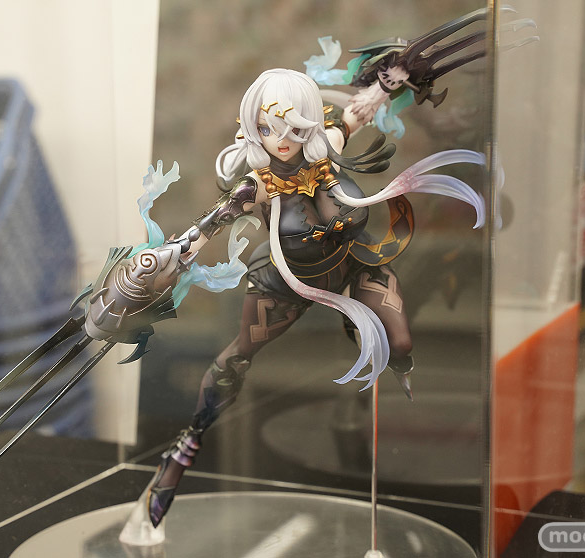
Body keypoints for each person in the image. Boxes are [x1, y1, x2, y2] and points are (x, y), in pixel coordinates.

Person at [143, 67, 484, 526]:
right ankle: (187, 444)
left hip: (353, 265)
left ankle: (368, 380)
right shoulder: (256, 186)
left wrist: (388, 82)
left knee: (400, 344)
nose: (280, 140)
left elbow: (360, 110)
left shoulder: (330, 147)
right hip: (287, 283)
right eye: (267, 128)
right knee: (236, 358)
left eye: (290, 127)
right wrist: (164, 261)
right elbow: (205, 229)